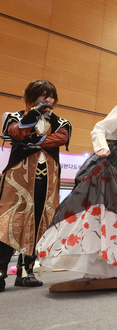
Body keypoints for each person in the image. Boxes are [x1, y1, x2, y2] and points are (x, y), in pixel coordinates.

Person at [36, 81, 117, 279]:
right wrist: (101, 147)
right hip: (112, 166)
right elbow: (99, 128)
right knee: (105, 214)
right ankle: (97, 266)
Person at [0, 80, 71, 291]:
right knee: (9, 220)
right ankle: (0, 270)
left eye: (50, 96)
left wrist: (31, 141)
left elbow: (60, 138)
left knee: (40, 221)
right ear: (31, 98)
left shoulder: (62, 122)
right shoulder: (13, 116)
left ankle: (26, 272)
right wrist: (32, 117)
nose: (47, 99)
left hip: (47, 180)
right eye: (42, 95)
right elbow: (16, 133)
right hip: (17, 179)